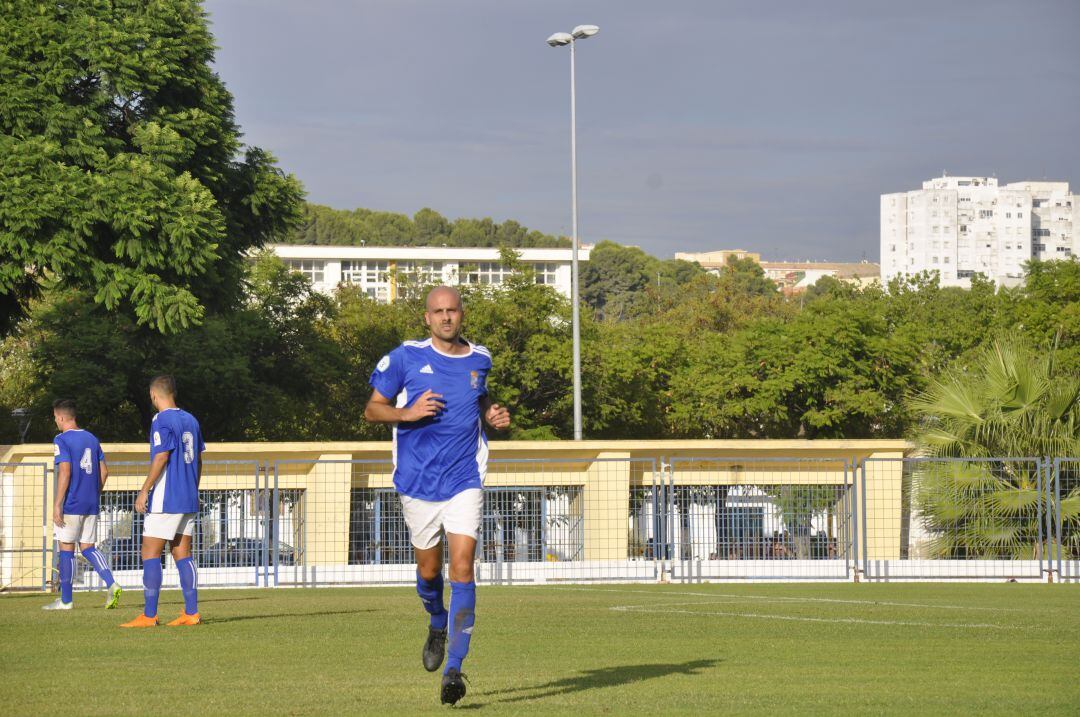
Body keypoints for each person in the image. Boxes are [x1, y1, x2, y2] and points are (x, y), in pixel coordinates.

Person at [364, 286, 510, 706]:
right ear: (427, 318)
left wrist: (494, 416)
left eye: (453, 310)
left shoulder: (480, 359)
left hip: (465, 478)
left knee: (462, 568)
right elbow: (373, 408)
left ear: (463, 314)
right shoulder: (405, 357)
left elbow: (481, 402)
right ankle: (436, 620)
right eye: (438, 311)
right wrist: (406, 412)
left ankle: (454, 670)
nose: (446, 317)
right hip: (417, 483)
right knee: (430, 576)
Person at [120, 375, 205, 628]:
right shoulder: (191, 419)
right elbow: (199, 460)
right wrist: (192, 488)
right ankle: (191, 613)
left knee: (150, 551)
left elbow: (161, 457)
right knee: (182, 553)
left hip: (166, 498)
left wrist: (144, 490)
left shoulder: (160, 419)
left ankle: (149, 615)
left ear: (153, 395)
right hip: (188, 496)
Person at [42, 399, 122, 611]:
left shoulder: (61, 439)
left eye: (55, 418)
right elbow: (104, 472)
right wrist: (93, 494)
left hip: (72, 503)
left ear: (60, 417)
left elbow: (65, 472)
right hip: (91, 502)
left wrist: (58, 503)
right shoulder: (92, 439)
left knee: (66, 549)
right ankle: (111, 583)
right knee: (88, 547)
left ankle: (66, 600)